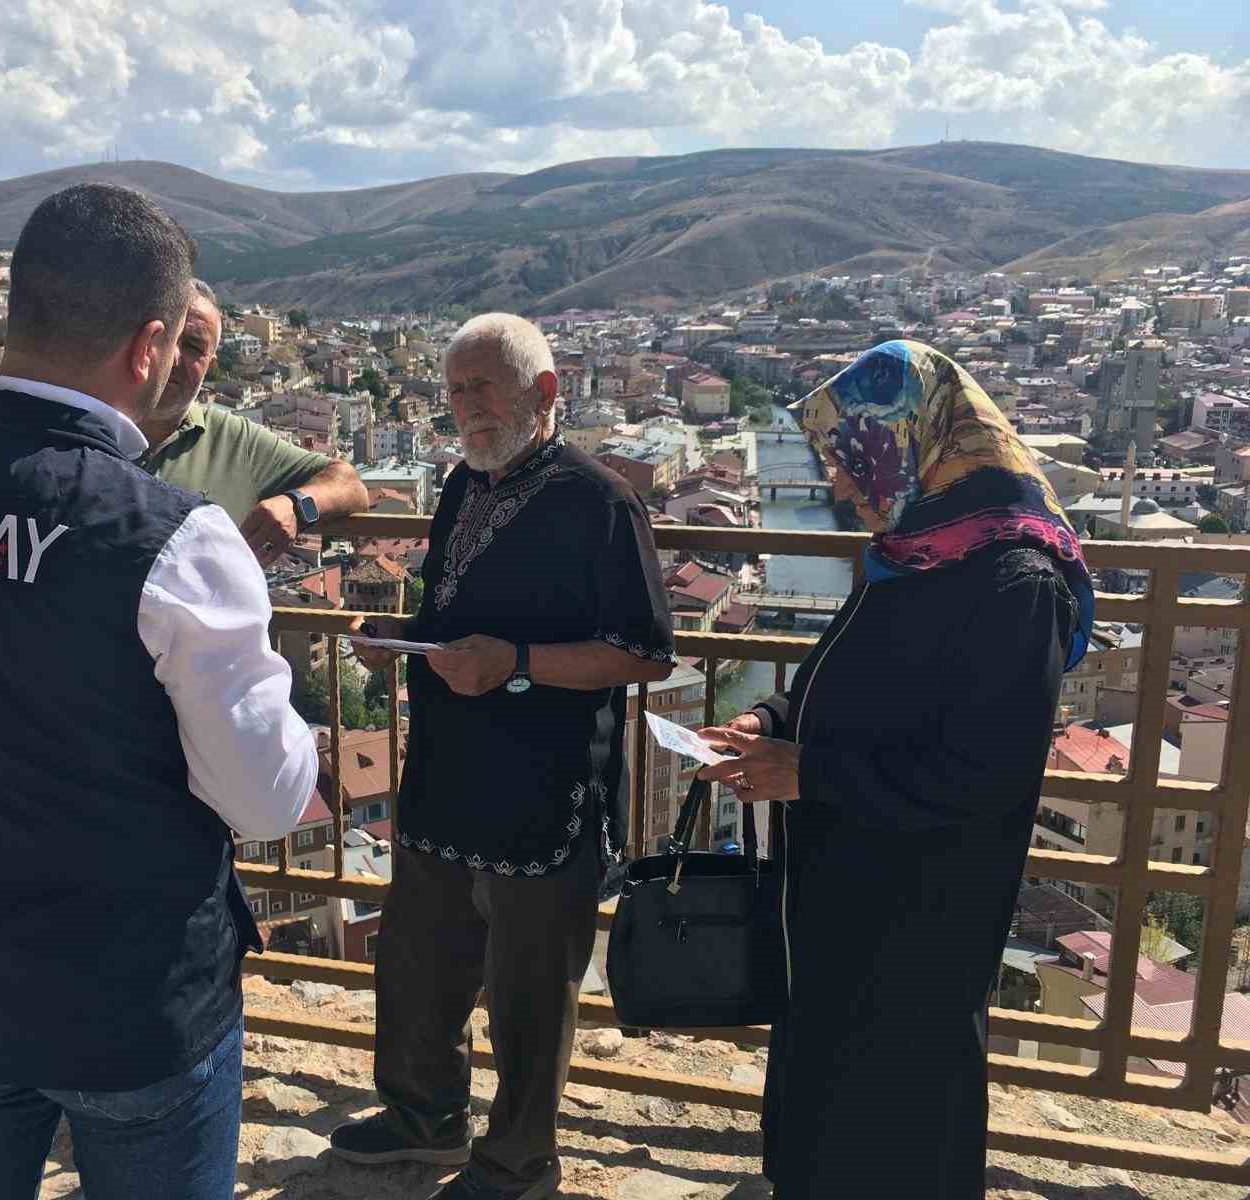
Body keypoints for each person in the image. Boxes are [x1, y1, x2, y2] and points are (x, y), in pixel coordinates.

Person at [0, 182, 318, 1200]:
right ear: (148, 345)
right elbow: (260, 803)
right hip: (134, 1006)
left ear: (11, 316)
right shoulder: (173, 535)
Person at [696, 340, 1092, 1199]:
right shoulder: (911, 555)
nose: (840, 489)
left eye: (853, 464)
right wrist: (765, 721)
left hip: (923, 911)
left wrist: (810, 774)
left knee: (901, 1115)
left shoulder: (1016, 585)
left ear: (919, 443)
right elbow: (839, 687)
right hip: (841, 893)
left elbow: (985, 777)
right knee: (825, 1092)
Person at [330, 313, 676, 1200]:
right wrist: (398, 640)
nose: (466, 408)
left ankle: (519, 1161)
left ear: (545, 391)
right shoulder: (462, 485)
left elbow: (645, 652)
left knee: (528, 992)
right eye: (454, 391)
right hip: (449, 772)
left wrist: (517, 664)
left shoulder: (601, 501)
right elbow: (450, 622)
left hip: (546, 786)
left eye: (484, 386)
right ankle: (425, 1117)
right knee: (420, 960)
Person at [137, 280, 368, 565]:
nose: (174, 357)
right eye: (168, 337)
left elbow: (351, 485)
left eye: (194, 346)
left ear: (210, 365)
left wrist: (296, 505)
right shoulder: (92, 421)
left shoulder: (235, 440)